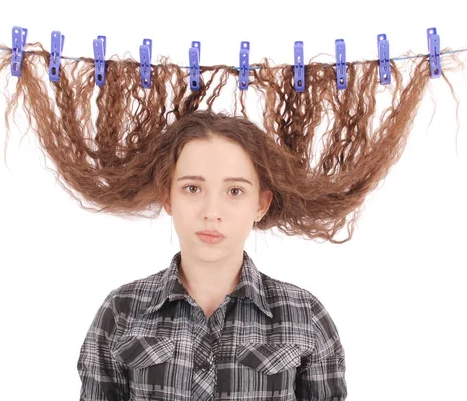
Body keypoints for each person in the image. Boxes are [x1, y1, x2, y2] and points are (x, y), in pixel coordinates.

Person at [76, 111, 347, 400]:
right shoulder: (121, 310)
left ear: (261, 204)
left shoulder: (305, 315)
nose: (212, 212)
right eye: (192, 188)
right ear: (168, 197)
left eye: (234, 190)